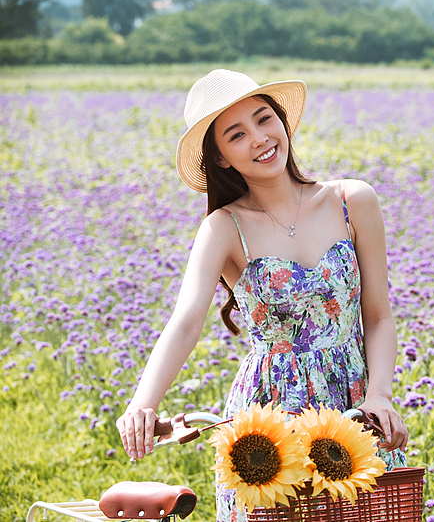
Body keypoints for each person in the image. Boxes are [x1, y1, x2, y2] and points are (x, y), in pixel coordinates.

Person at [115, 69, 408, 520]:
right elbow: (187, 319)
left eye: (264, 118)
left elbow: (378, 317)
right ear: (223, 159)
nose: (259, 138)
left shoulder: (353, 200)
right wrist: (142, 403)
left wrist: (381, 396)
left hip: (355, 402)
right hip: (269, 416)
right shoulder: (224, 227)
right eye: (237, 134)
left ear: (283, 122)